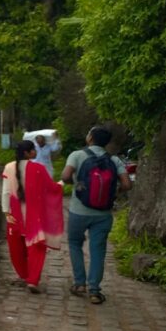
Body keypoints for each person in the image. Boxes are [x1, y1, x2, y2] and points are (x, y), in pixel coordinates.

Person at [61, 126, 131, 304]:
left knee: (75, 243)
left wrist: (76, 184)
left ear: (90, 138)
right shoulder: (114, 160)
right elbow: (127, 184)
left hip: (78, 211)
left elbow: (66, 175)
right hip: (103, 214)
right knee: (98, 250)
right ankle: (94, 290)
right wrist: (114, 193)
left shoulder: (76, 155)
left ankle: (79, 284)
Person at [2, 140, 64, 293]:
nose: (35, 152)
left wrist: (6, 211)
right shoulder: (38, 168)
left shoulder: (9, 167)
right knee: (36, 248)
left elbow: (5, 192)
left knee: (16, 247)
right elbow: (51, 188)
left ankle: (23, 274)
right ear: (27, 153)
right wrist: (62, 184)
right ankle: (33, 280)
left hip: (14, 214)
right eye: (33, 150)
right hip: (34, 216)